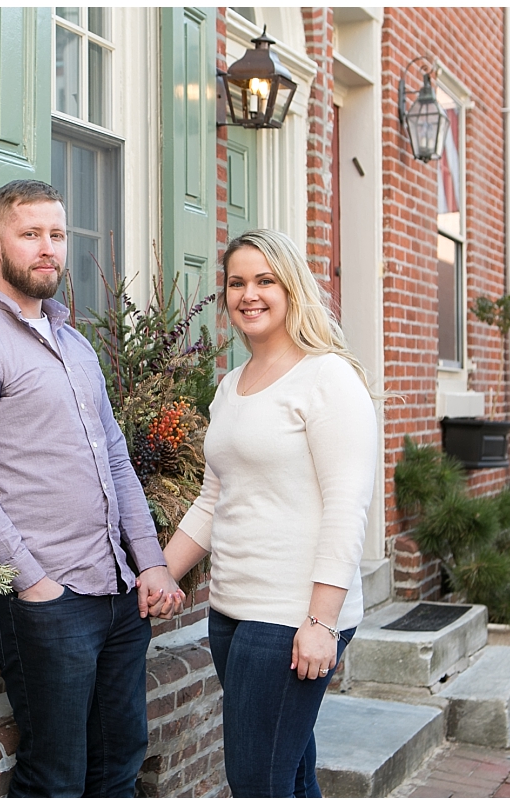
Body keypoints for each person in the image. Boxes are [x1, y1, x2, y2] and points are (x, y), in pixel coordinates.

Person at [0, 179, 185, 797]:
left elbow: (117, 459)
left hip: (118, 592)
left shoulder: (76, 346)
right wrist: (33, 582)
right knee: (56, 775)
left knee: (119, 760)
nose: (48, 249)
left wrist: (150, 561)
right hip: (48, 602)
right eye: (30, 235)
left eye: (57, 235)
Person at [149, 229, 378, 797]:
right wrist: (159, 574)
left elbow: (347, 507)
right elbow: (213, 499)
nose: (248, 294)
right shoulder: (231, 386)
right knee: (287, 773)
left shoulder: (328, 377)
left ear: (291, 288)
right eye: (236, 282)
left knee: (256, 782)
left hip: (293, 616)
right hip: (231, 610)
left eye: (264, 281)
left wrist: (323, 623)